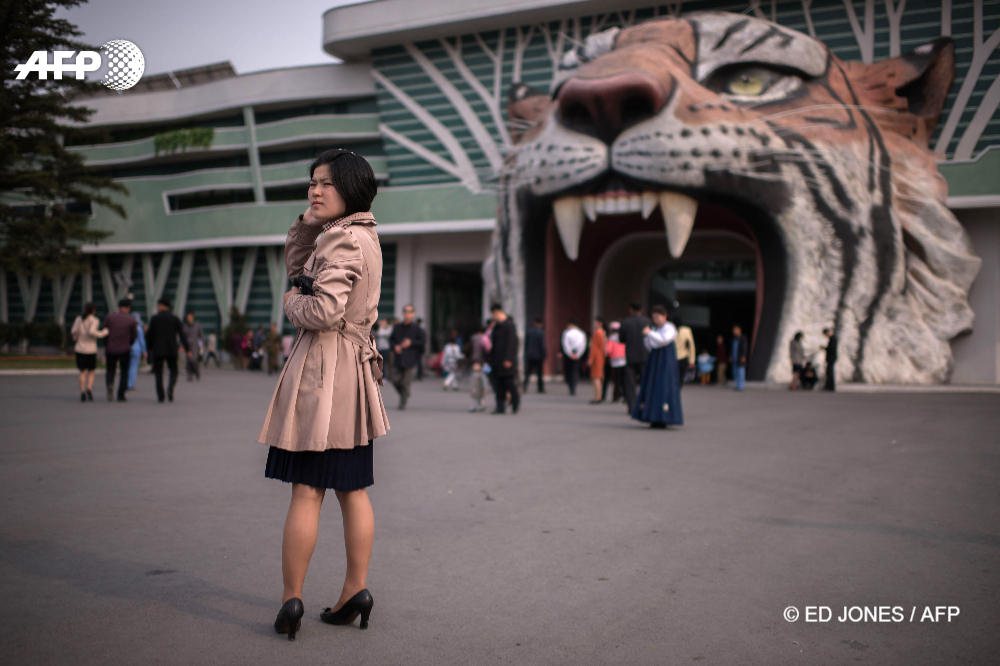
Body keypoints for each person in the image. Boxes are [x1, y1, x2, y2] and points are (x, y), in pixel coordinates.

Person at [258, 149, 388, 640]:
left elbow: (323, 311)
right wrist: (308, 225)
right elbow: (302, 266)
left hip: (324, 374)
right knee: (352, 490)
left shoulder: (342, 240)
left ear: (350, 188)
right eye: (311, 182)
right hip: (352, 378)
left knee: (308, 491)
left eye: (325, 184)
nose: (315, 190)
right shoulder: (362, 236)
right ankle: (356, 589)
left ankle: (292, 599)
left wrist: (292, 301)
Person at [632, 305, 683, 429]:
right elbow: (651, 345)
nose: (656, 320)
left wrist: (649, 333)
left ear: (664, 316)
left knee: (664, 385)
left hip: (665, 360)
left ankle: (664, 418)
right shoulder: (656, 329)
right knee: (653, 385)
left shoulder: (669, 328)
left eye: (658, 317)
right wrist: (648, 336)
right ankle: (653, 417)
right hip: (655, 360)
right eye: (654, 318)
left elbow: (663, 340)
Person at [146, 297, 192, 403]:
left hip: (157, 349)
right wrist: (187, 349)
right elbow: (182, 335)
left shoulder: (155, 318)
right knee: (174, 371)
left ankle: (161, 396)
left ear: (161, 305)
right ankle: (170, 388)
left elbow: (149, 335)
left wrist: (149, 348)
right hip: (171, 349)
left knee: (159, 373)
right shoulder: (175, 318)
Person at [389, 305, 425, 410]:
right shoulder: (397, 327)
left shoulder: (417, 328)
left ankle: (403, 402)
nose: (407, 313)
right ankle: (405, 393)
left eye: (409, 311)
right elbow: (391, 340)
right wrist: (395, 346)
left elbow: (423, 341)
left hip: (411, 359)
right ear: (403, 313)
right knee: (394, 379)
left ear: (413, 314)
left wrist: (411, 343)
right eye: (405, 311)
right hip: (398, 358)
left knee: (405, 382)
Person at [70, 302, 107, 402]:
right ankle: (89, 388)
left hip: (80, 348)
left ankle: (82, 391)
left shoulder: (79, 319)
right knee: (91, 371)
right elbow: (92, 332)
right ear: (93, 311)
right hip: (91, 349)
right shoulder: (94, 320)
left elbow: (73, 331)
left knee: (82, 371)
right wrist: (103, 333)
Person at [103, 298, 138, 402]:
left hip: (111, 349)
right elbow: (134, 336)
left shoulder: (109, 317)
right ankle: (121, 394)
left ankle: (110, 384)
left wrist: (106, 344)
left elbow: (105, 332)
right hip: (124, 349)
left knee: (110, 370)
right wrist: (129, 344)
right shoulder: (131, 319)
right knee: (124, 372)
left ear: (118, 307)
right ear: (128, 308)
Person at [618, 303, 651, 413]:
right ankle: (645, 405)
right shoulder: (648, 322)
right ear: (642, 310)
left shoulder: (625, 322)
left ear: (631, 310)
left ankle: (632, 407)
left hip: (630, 356)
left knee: (629, 383)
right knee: (645, 381)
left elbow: (621, 339)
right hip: (645, 355)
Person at [488, 303, 519, 414]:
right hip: (496, 360)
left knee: (510, 383)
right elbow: (494, 344)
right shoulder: (496, 326)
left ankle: (515, 403)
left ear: (497, 312)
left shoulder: (509, 326)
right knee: (498, 385)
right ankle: (500, 407)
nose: (493, 317)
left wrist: (508, 359)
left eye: (493, 314)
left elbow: (512, 343)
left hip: (507, 361)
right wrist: (489, 359)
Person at [561, 320, 586, 397]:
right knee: (575, 371)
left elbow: (565, 344)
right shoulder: (581, 333)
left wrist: (569, 354)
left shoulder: (566, 333)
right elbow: (583, 345)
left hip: (569, 354)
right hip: (577, 354)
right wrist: (578, 354)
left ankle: (571, 387)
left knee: (569, 370)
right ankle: (574, 387)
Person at [468, 325, 489, 412]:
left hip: (474, 360)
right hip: (483, 361)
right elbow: (488, 350)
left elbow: (469, 349)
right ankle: (481, 402)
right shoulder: (485, 339)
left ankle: (478, 403)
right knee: (483, 378)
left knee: (476, 380)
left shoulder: (473, 338)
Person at [523, 317, 546, 393]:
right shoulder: (541, 333)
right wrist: (544, 354)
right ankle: (540, 388)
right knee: (539, 373)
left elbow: (526, 344)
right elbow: (542, 345)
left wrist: (526, 353)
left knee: (528, 373)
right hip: (538, 356)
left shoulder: (529, 332)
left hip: (530, 355)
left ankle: (524, 386)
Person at [605, 321, 626, 402]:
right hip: (624, 360)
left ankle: (618, 396)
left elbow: (608, 350)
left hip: (614, 361)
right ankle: (624, 396)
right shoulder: (624, 337)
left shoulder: (611, 338)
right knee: (624, 379)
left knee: (617, 380)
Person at [126, 311, 146, 391]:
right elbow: (142, 341)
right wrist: (144, 351)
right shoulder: (139, 329)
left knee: (126, 367)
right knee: (134, 367)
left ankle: (126, 383)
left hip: (127, 348)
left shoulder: (127, 327)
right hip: (136, 349)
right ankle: (131, 384)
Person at [182, 312, 205, 382]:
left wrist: (202, 345)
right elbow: (183, 337)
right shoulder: (185, 326)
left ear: (193, 317)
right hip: (187, 346)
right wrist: (182, 345)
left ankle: (197, 372)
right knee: (188, 361)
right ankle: (190, 375)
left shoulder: (197, 325)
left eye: (190, 317)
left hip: (195, 346)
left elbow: (201, 336)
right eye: (188, 317)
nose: (189, 318)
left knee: (194, 360)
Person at [588, 317, 606, 404]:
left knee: (596, 377)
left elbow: (594, 347)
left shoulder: (597, 333)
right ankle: (598, 396)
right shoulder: (603, 332)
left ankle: (597, 396)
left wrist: (591, 358)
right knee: (598, 377)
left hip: (597, 357)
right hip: (601, 356)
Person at [674, 316, 695, 386]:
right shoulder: (686, 330)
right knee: (680, 379)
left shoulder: (669, 329)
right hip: (682, 357)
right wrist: (691, 360)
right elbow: (690, 346)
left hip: (671, 357)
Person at [731, 325, 748, 391]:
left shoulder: (743, 338)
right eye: (734, 330)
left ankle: (741, 386)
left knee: (740, 372)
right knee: (735, 372)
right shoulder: (734, 339)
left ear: (739, 330)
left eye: (736, 330)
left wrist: (743, 356)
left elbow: (744, 348)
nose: (734, 331)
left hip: (740, 358)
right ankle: (738, 385)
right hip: (734, 358)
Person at [823, 327, 838, 391]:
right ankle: (829, 386)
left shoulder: (833, 339)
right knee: (829, 372)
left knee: (830, 372)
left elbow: (831, 348)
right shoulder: (832, 338)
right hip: (831, 358)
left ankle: (830, 386)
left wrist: (825, 348)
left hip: (831, 358)